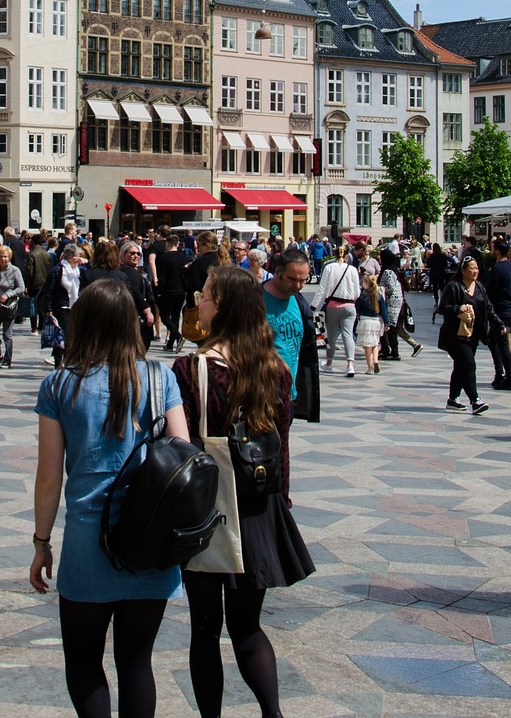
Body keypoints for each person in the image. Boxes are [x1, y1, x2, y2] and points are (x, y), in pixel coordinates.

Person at [29, 279, 188, 718]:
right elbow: (183, 452)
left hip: (87, 542)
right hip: (149, 541)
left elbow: (48, 477)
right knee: (137, 663)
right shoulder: (160, 377)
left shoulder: (59, 385)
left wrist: (42, 543)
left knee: (83, 663)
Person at [176, 267, 313, 718]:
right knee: (247, 626)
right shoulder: (274, 368)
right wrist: (282, 503)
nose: (201, 302)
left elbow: (181, 449)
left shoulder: (192, 367)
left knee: (204, 629)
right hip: (258, 509)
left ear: (224, 306)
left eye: (207, 295)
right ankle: (272, 714)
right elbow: (282, 447)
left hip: (208, 512)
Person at [258, 249, 320, 422]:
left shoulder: (299, 301)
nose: (298, 286)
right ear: (277, 272)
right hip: (262, 394)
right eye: (292, 279)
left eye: (303, 280)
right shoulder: (255, 299)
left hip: (288, 394)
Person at [437, 256, 488, 414]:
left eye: (477, 268)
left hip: (473, 334)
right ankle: (475, 400)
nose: (475, 271)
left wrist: (499, 324)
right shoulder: (453, 286)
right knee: (468, 365)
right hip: (454, 335)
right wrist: (458, 308)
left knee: (460, 366)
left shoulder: (479, 286)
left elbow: (488, 307)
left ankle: (453, 399)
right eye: (472, 268)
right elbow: (443, 308)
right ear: (463, 270)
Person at [484, 239, 511, 391]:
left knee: (502, 344)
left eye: (493, 249)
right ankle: (499, 374)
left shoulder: (496, 269)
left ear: (498, 252)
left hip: (499, 311)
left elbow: (490, 292)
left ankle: (510, 378)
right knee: (492, 341)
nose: (492, 252)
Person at [316, 249, 361, 377]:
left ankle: (329, 363)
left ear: (334, 255)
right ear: (347, 256)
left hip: (333, 306)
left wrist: (314, 306)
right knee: (348, 334)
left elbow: (322, 289)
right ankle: (350, 365)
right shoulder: (352, 269)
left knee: (331, 336)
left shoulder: (329, 268)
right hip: (350, 306)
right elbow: (357, 292)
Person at [0, 244, 25, 368]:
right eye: (0, 257)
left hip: (9, 306)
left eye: (5, 257)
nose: (3, 259)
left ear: (9, 257)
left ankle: (8, 358)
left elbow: (21, 287)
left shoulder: (15, 270)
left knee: (7, 334)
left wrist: (8, 294)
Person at [355, 275, 385, 373]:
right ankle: (376, 360)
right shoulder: (379, 295)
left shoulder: (362, 296)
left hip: (365, 321)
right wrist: (387, 323)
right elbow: (384, 310)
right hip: (376, 321)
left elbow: (357, 309)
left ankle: (370, 367)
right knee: (375, 343)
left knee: (367, 346)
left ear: (366, 284)